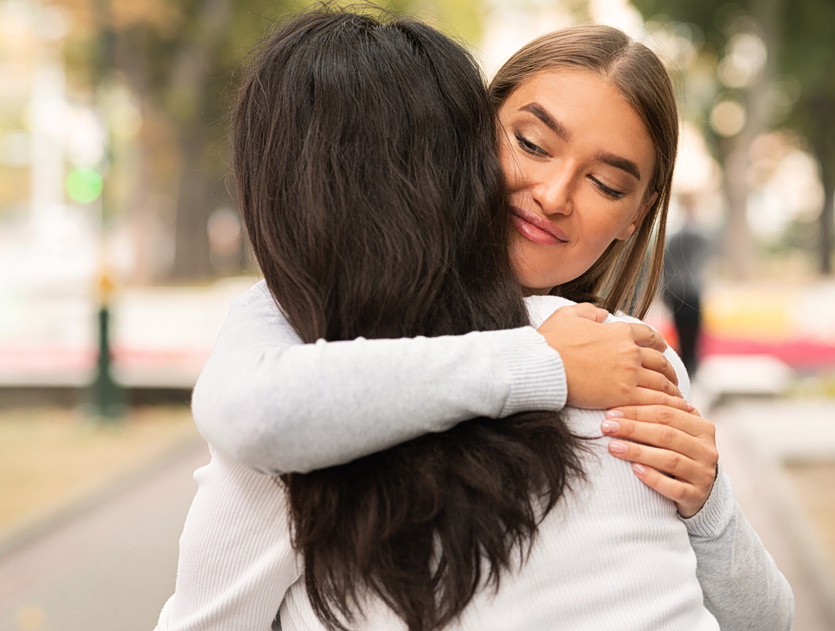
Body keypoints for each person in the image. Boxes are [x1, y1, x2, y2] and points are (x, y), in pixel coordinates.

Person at [157, 7, 792, 631]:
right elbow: (253, 411)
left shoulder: (627, 359)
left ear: (637, 216)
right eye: (531, 144)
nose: (554, 195)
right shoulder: (312, 340)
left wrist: (710, 503)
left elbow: (766, 619)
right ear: (472, 134)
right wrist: (544, 364)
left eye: (605, 183)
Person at [661, 194, 713, 376]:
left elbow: (666, 265)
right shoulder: (695, 235)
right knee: (690, 331)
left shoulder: (675, 237)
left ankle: (687, 365)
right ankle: (690, 366)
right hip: (688, 290)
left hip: (678, 290)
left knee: (684, 332)